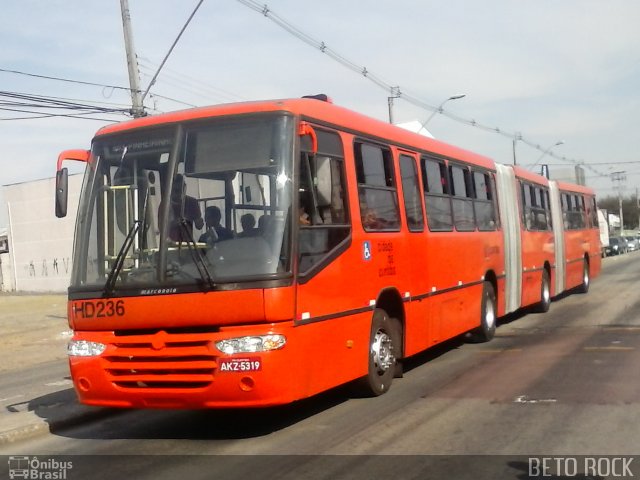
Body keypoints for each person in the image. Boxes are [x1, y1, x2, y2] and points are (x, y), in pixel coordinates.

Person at [166, 174, 204, 242]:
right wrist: (178, 221)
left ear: (185, 187)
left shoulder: (192, 202)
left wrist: (200, 222)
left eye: (182, 189)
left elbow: (199, 227)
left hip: (188, 244)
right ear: (170, 189)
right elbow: (163, 228)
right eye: (176, 190)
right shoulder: (165, 205)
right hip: (171, 244)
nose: (180, 193)